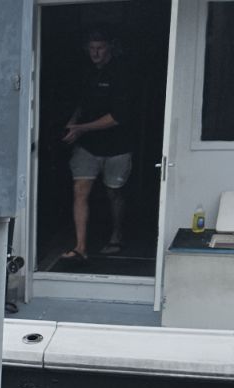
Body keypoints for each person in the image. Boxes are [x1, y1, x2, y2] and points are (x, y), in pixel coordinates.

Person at [59, 29, 134, 264]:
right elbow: (82, 103)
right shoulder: (87, 73)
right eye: (91, 48)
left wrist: (81, 128)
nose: (95, 53)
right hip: (88, 146)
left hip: (118, 145)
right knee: (80, 191)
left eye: (100, 47)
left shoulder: (122, 74)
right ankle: (80, 247)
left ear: (110, 47)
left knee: (114, 192)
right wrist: (73, 120)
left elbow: (117, 117)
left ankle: (117, 234)